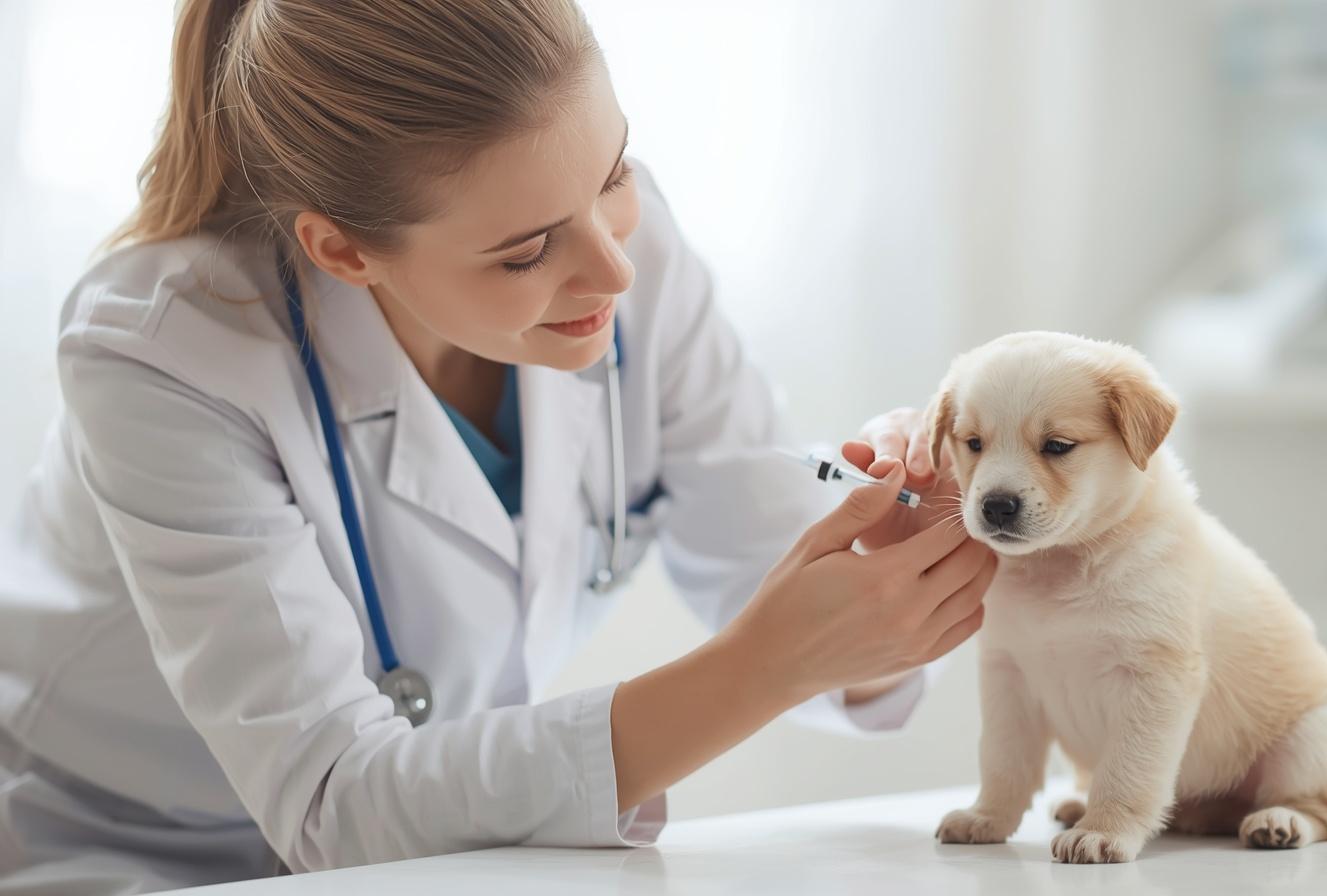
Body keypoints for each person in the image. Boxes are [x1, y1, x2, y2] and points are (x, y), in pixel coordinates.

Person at [0, 1, 996, 892]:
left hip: (437, 853)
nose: (614, 268)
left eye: (614, 173)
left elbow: (772, 560)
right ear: (342, 249)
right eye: (526, 252)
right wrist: (758, 669)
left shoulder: (622, 244)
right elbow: (334, 800)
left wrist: (886, 569)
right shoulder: (164, 346)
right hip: (130, 849)